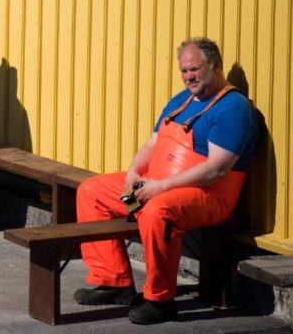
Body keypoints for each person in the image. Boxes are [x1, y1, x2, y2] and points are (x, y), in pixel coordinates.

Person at [73, 37, 258, 325]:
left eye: (194, 69)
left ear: (215, 66)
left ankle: (159, 300)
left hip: (206, 195)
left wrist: (159, 188)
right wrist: (135, 171)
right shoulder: (180, 100)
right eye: (184, 71)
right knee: (91, 191)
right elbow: (152, 145)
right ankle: (114, 282)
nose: (188, 77)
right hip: (157, 182)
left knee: (159, 211)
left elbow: (216, 170)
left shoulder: (233, 108)